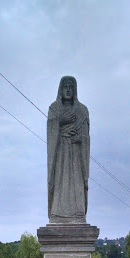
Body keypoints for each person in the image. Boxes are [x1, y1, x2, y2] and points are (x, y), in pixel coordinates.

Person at [47, 76, 90, 223]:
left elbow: (86, 135)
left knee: (76, 179)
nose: (68, 90)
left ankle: (78, 211)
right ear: (60, 89)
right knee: (61, 179)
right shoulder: (54, 108)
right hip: (61, 152)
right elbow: (51, 130)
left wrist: (81, 139)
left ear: (75, 90)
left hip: (76, 152)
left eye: (71, 87)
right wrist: (61, 122)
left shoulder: (82, 110)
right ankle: (58, 213)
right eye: (65, 86)